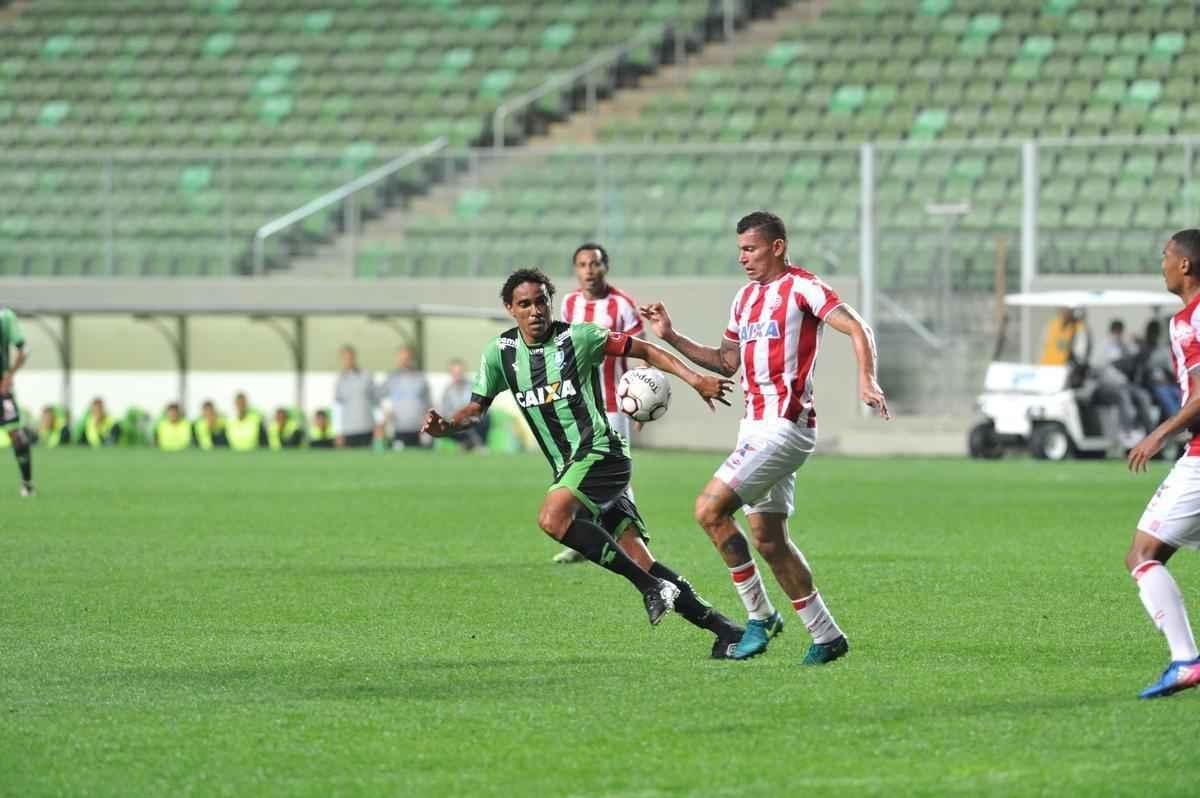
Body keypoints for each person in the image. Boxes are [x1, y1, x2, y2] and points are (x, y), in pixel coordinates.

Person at [422, 268, 745, 654]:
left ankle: (651, 589)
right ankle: (725, 630)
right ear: (510, 309)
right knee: (641, 560)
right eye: (524, 304)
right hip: (571, 468)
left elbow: (644, 349)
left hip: (602, 454)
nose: (535, 310)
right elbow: (477, 408)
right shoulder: (501, 354)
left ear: (550, 301)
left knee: (552, 518)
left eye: (541, 300)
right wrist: (449, 426)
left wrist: (695, 380)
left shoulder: (579, 337)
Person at [640, 210, 890, 665]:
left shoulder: (803, 287)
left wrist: (867, 380)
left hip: (785, 426)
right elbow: (725, 360)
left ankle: (759, 616)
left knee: (709, 509)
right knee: (769, 539)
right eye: (739, 250)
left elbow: (857, 326)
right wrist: (670, 335)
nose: (743, 258)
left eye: (750, 249)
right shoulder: (744, 300)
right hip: (754, 427)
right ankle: (826, 635)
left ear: (776, 247)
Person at [1125, 229, 1200, 699]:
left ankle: (1186, 660)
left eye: (1165, 257)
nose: (1163, 265)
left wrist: (1159, 433)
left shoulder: (1191, 320)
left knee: (1142, 554)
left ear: (1185, 266)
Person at [552, 242, 646, 564]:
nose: (589, 270)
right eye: (582, 264)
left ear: (606, 266)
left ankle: (634, 544)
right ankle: (584, 539)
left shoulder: (622, 305)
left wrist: (642, 401)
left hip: (614, 404)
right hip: (579, 405)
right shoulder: (569, 304)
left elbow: (642, 352)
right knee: (576, 472)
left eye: (595, 264)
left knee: (617, 476)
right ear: (575, 270)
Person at [0, 307, 33, 495]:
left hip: (1, 389)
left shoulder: (5, 317)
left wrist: (9, 376)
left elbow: (24, 349)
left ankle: (27, 484)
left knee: (16, 435)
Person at [334, 344, 382, 448]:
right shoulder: (340, 380)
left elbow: (376, 401)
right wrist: (338, 432)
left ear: (354, 357)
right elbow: (338, 407)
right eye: (345, 358)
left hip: (367, 428)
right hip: (348, 431)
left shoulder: (366, 376)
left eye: (350, 357)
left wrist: (379, 424)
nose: (348, 361)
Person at [383, 346, 430, 449]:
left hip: (418, 429)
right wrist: (385, 413)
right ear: (397, 359)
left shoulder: (420, 378)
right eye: (402, 358)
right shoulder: (391, 378)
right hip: (398, 429)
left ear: (412, 359)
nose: (404, 361)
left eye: (407, 358)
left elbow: (428, 403)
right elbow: (382, 399)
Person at [437, 358, 488, 450]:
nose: (457, 375)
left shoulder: (473, 387)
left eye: (459, 372)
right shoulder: (447, 391)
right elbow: (445, 411)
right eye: (455, 372)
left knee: (486, 417)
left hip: (471, 418)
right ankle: (470, 444)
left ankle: (473, 444)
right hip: (456, 421)